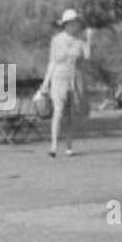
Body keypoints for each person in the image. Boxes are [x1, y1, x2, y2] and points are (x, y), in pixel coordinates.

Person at [35, 9, 92, 156]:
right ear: (67, 24)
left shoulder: (80, 41)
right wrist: (45, 83)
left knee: (71, 114)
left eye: (77, 22)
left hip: (75, 79)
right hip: (59, 78)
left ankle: (69, 145)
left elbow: (87, 57)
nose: (77, 24)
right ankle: (53, 146)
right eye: (74, 22)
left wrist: (89, 40)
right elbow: (52, 62)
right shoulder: (56, 40)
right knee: (58, 112)